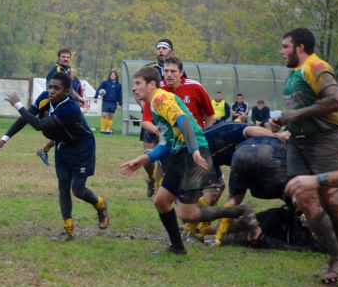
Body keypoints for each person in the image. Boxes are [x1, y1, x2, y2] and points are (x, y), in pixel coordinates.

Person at [120, 67, 253, 255]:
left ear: (151, 84)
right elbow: (166, 142)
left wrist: (194, 151)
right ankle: (177, 247)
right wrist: (142, 159)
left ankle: (241, 211)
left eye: (137, 83)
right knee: (161, 202)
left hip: (191, 157)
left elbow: (183, 121)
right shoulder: (154, 105)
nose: (134, 88)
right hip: (180, 155)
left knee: (186, 214)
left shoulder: (161, 99)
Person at [0, 72, 109, 241]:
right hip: (61, 146)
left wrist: (18, 105)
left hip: (82, 148)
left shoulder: (70, 108)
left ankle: (101, 205)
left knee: (78, 190)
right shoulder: (45, 98)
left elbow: (39, 125)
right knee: (63, 187)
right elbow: (26, 118)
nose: (51, 91)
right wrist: (4, 139)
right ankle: (68, 230)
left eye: (56, 88)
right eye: (50, 87)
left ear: (67, 91)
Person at [269, 27, 338, 284]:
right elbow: (297, 111)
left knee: (333, 201)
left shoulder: (317, 67)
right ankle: (336, 256)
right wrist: (283, 122)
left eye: (285, 46)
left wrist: (295, 116)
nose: (282, 52)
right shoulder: (293, 75)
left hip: (325, 141)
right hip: (298, 144)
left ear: (300, 47)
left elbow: (335, 101)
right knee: (303, 197)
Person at [182, 122, 291, 244]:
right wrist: (277, 135)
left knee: (222, 190)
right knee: (213, 193)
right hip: (199, 152)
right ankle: (190, 232)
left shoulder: (246, 144)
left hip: (207, 154)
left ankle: (200, 230)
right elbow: (250, 130)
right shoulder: (246, 129)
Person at [139, 38, 182, 197]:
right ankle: (151, 179)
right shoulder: (149, 69)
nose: (161, 51)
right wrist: (144, 104)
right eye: (159, 48)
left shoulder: (175, 69)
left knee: (164, 157)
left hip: (168, 119)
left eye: (164, 48)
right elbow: (138, 88)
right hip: (151, 118)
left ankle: (159, 189)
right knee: (148, 158)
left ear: (170, 51)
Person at [36, 48, 85, 166]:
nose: (66, 59)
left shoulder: (67, 70)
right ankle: (65, 155)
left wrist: (78, 98)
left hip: (68, 104)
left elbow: (69, 89)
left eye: (68, 57)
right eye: (63, 57)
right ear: (59, 58)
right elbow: (51, 89)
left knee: (67, 130)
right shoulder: (56, 70)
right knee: (68, 130)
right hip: (59, 105)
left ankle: (45, 150)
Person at [95, 70, 122, 135]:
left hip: (113, 102)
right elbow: (99, 89)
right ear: (110, 76)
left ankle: (108, 130)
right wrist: (96, 96)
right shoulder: (105, 83)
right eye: (111, 75)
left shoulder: (118, 85)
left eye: (114, 75)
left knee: (110, 116)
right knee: (104, 115)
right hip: (106, 101)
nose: (113, 76)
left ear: (116, 76)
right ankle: (102, 130)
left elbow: (120, 94)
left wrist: (120, 103)